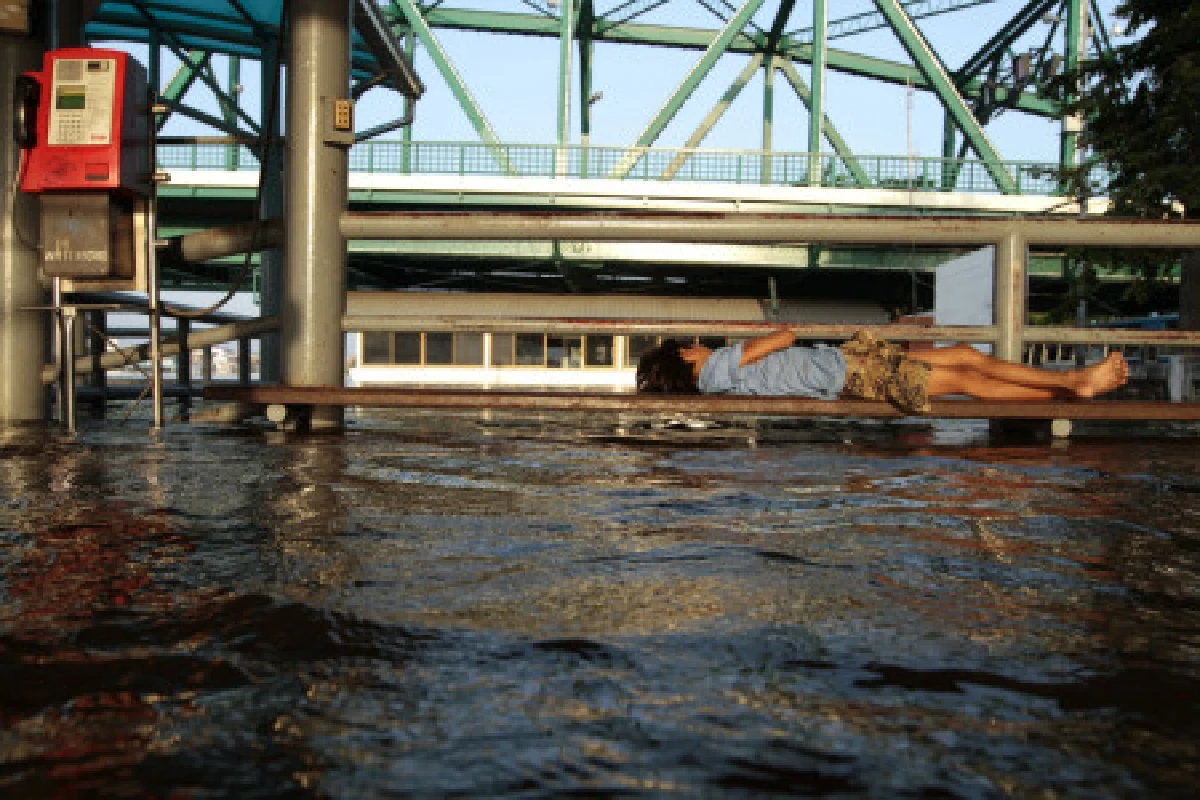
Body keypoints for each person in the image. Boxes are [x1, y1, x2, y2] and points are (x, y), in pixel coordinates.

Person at [634, 327, 1130, 414]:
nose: (697, 345)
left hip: (851, 365)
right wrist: (750, 339)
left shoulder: (717, 381)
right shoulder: (719, 367)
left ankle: (1067, 390)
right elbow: (784, 336)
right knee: (965, 378)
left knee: (964, 355)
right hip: (854, 373)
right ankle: (1071, 384)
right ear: (686, 360)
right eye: (689, 346)